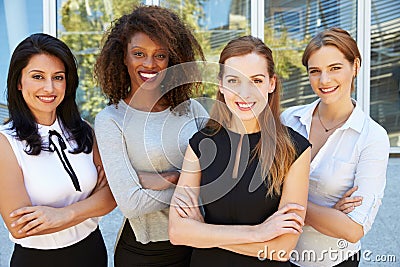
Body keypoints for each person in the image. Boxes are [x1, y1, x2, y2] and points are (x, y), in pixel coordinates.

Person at [168, 35, 311, 267]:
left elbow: (281, 249)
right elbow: (177, 232)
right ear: (221, 85)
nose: (245, 93)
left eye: (256, 80)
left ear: (271, 83)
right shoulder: (200, 144)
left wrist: (203, 233)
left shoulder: (295, 150)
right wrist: (258, 233)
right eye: (234, 80)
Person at [94, 5, 208, 267]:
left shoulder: (192, 109)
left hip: (199, 242)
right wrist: (189, 184)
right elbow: (131, 204)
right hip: (144, 253)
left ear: (173, 59)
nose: (149, 64)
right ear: (123, 57)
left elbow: (218, 176)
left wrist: (162, 181)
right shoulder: (111, 119)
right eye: (138, 53)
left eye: (160, 55)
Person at [0, 33, 116, 267]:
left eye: (58, 77)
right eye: (37, 77)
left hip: (92, 252)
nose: (49, 87)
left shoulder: (84, 130)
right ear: (19, 82)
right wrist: (91, 205)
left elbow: (112, 196)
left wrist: (62, 214)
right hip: (37, 261)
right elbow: (21, 227)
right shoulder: (6, 143)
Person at [281, 28, 390, 267]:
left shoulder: (372, 137)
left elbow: (354, 229)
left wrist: (287, 203)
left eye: (335, 68)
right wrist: (330, 212)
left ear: (356, 66)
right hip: (278, 256)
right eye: (315, 71)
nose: (324, 80)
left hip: (334, 261)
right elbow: (259, 187)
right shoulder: (288, 120)